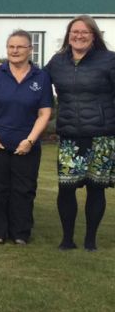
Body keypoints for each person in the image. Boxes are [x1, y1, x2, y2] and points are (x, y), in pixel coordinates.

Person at [45, 16, 115, 251]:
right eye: (75, 32)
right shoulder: (57, 62)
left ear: (94, 35)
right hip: (69, 138)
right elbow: (35, 81)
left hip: (101, 136)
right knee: (66, 188)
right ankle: (67, 239)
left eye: (85, 32)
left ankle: (90, 240)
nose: (79, 35)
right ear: (68, 35)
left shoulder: (109, 61)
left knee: (96, 188)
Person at [0, 30, 52, 245]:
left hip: (26, 145)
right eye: (11, 46)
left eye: (20, 47)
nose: (15, 50)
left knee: (24, 189)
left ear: (30, 49)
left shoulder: (41, 77)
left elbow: (45, 112)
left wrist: (30, 140)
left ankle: (20, 232)